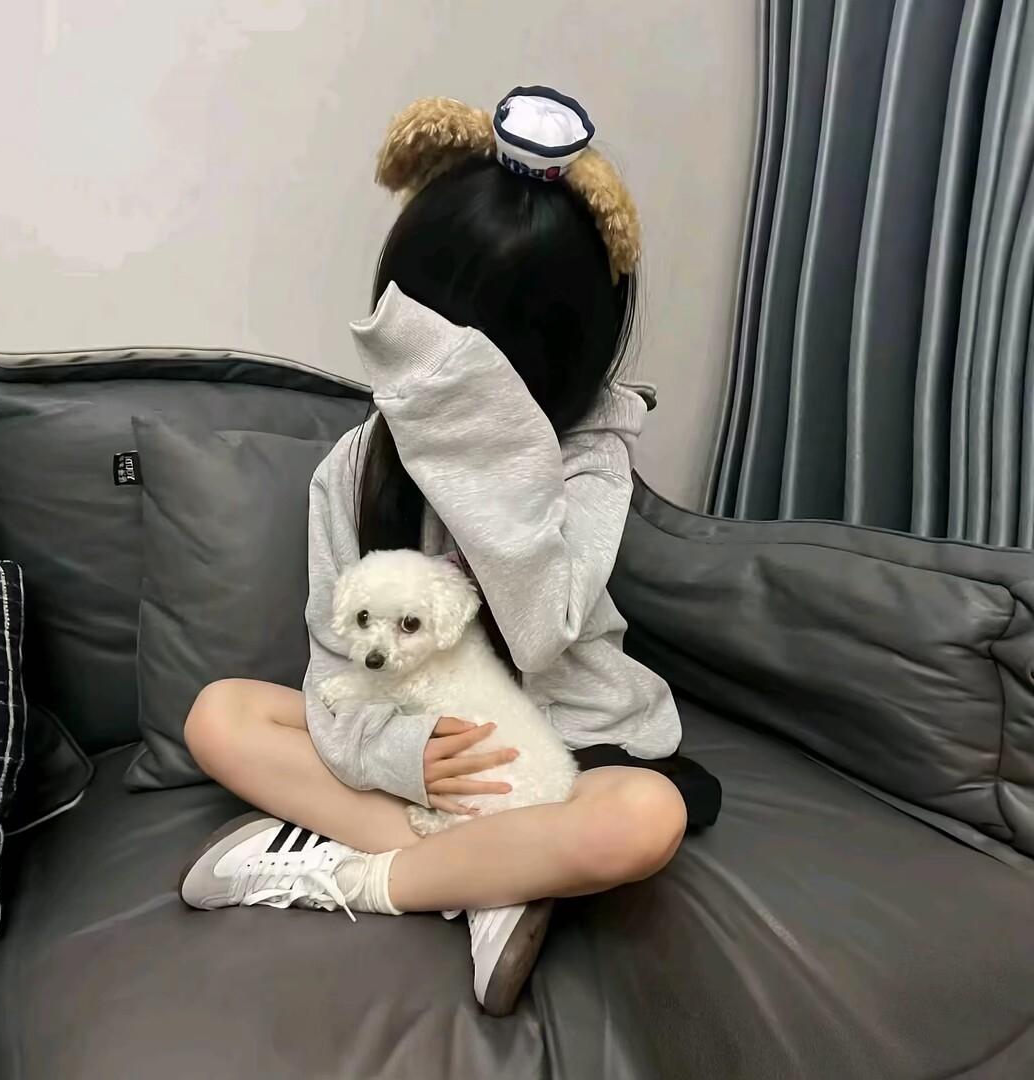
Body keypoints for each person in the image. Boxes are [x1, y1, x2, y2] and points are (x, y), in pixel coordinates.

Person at [178, 87, 721, 1017]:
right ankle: (491, 880)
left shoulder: (591, 463)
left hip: (571, 749)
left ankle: (360, 875)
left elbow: (541, 631)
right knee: (219, 714)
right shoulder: (353, 468)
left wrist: (481, 442)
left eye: (488, 373)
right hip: (418, 744)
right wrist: (402, 758)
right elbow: (334, 665)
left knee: (645, 819)